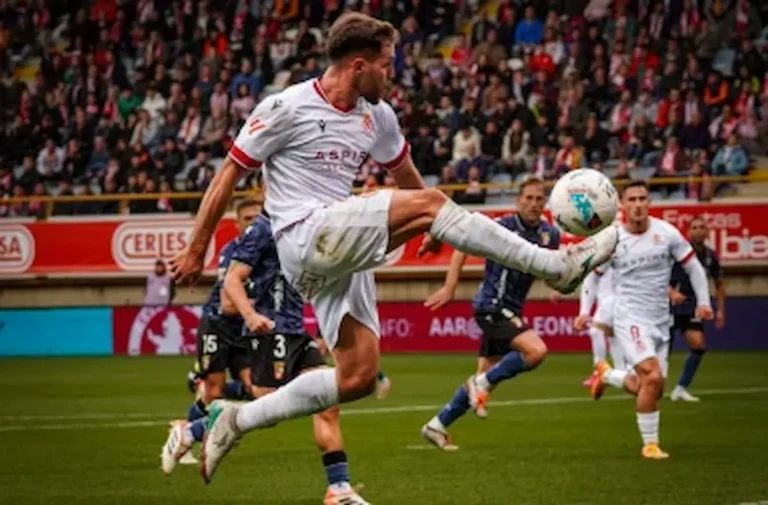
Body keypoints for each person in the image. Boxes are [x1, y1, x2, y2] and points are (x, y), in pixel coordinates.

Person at [168, 13, 618, 482]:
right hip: (302, 236)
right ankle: (556, 266)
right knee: (432, 204)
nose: (394, 72)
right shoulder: (285, 107)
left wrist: (431, 222)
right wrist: (198, 247)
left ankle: (233, 420)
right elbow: (229, 173)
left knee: (358, 377)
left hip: (337, 251)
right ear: (358, 65)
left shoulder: (377, 115)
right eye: (387, 64)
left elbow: (404, 173)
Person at [220, 209, 370, 505]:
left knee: (328, 404)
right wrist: (250, 315)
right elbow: (231, 281)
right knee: (266, 403)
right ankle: (202, 423)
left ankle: (338, 489)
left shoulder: (305, 223)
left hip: (297, 331)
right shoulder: (262, 229)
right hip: (271, 328)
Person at [420, 177, 559, 449]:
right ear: (519, 200)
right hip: (492, 306)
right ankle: (480, 384)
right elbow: (463, 245)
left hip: (512, 310)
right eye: (528, 198)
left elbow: (551, 269)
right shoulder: (503, 226)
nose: (533, 204)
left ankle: (436, 425)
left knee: (482, 381)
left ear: (545, 203)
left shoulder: (549, 234)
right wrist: (450, 287)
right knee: (536, 351)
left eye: (538, 199)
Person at [588, 181, 713, 459]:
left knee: (651, 388)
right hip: (630, 318)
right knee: (653, 376)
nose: (638, 204)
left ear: (649, 202)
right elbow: (592, 276)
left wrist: (704, 302)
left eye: (643, 198)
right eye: (632, 199)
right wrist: (585, 310)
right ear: (622, 204)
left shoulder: (666, 233)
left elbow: (693, 267)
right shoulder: (613, 240)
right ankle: (650, 445)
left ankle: (607, 374)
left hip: (660, 321)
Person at [161, 199, 260, 475]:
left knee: (257, 390)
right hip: (218, 325)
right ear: (237, 223)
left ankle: (198, 401)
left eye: (257, 217)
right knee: (214, 391)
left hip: (243, 330)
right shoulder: (232, 252)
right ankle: (186, 432)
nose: (253, 223)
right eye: (248, 218)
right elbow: (229, 305)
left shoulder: (266, 250)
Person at [668, 216, 725, 402]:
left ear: (707, 232)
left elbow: (719, 283)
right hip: (668, 306)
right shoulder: (679, 254)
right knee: (661, 352)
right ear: (688, 231)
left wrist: (720, 310)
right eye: (694, 227)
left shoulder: (710, 255)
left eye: (702, 227)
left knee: (698, 345)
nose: (698, 230)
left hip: (692, 307)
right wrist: (671, 293)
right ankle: (646, 384)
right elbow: (658, 279)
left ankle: (680, 388)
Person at [575, 265, 627, 386]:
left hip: (613, 300)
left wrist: (584, 312)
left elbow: (590, 280)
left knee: (596, 331)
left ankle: (600, 373)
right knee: (613, 336)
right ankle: (622, 373)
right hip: (611, 300)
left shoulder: (606, 255)